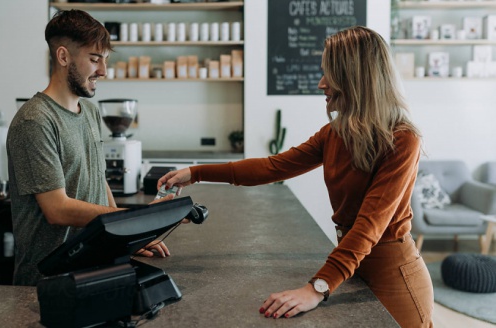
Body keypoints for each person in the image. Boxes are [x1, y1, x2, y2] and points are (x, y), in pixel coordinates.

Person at [158, 26, 434, 327]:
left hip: (394, 276)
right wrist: (196, 173)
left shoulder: (403, 140)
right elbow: (272, 167)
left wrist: (317, 287)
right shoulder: (335, 134)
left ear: (355, 79)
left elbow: (370, 225)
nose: (321, 83)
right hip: (352, 267)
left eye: (329, 74)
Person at [7, 10, 173, 286]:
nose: (103, 71)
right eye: (94, 59)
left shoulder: (91, 112)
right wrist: (133, 219)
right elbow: (57, 209)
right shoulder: (34, 120)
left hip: (95, 267)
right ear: (63, 57)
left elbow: (99, 180)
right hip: (49, 281)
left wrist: (125, 238)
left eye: (105, 60)